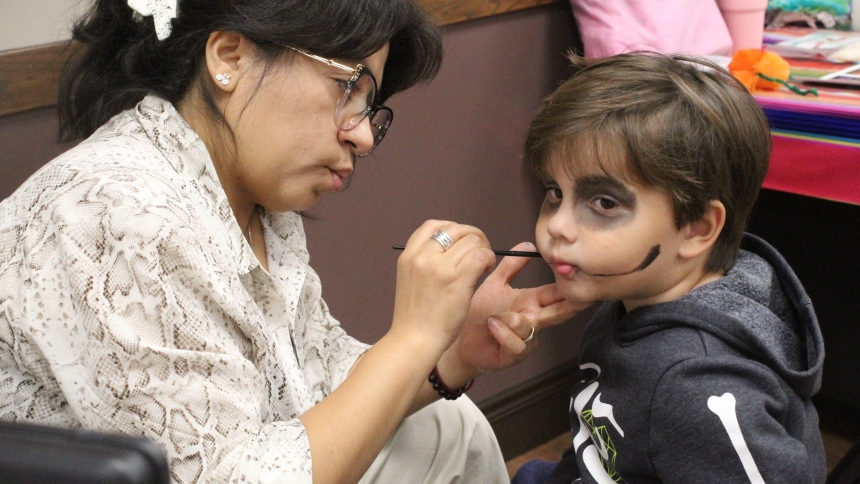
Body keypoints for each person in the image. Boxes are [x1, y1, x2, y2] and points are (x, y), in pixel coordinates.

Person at [0, 0, 584, 483]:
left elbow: (317, 380)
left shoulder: (252, 196)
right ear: (230, 57)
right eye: (349, 87)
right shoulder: (117, 212)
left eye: (370, 107)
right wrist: (416, 335)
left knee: (447, 429)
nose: (363, 137)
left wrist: (454, 352)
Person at [513, 52, 827, 483]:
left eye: (604, 203)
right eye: (554, 192)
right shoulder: (635, 296)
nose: (558, 226)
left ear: (698, 228)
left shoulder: (697, 388)